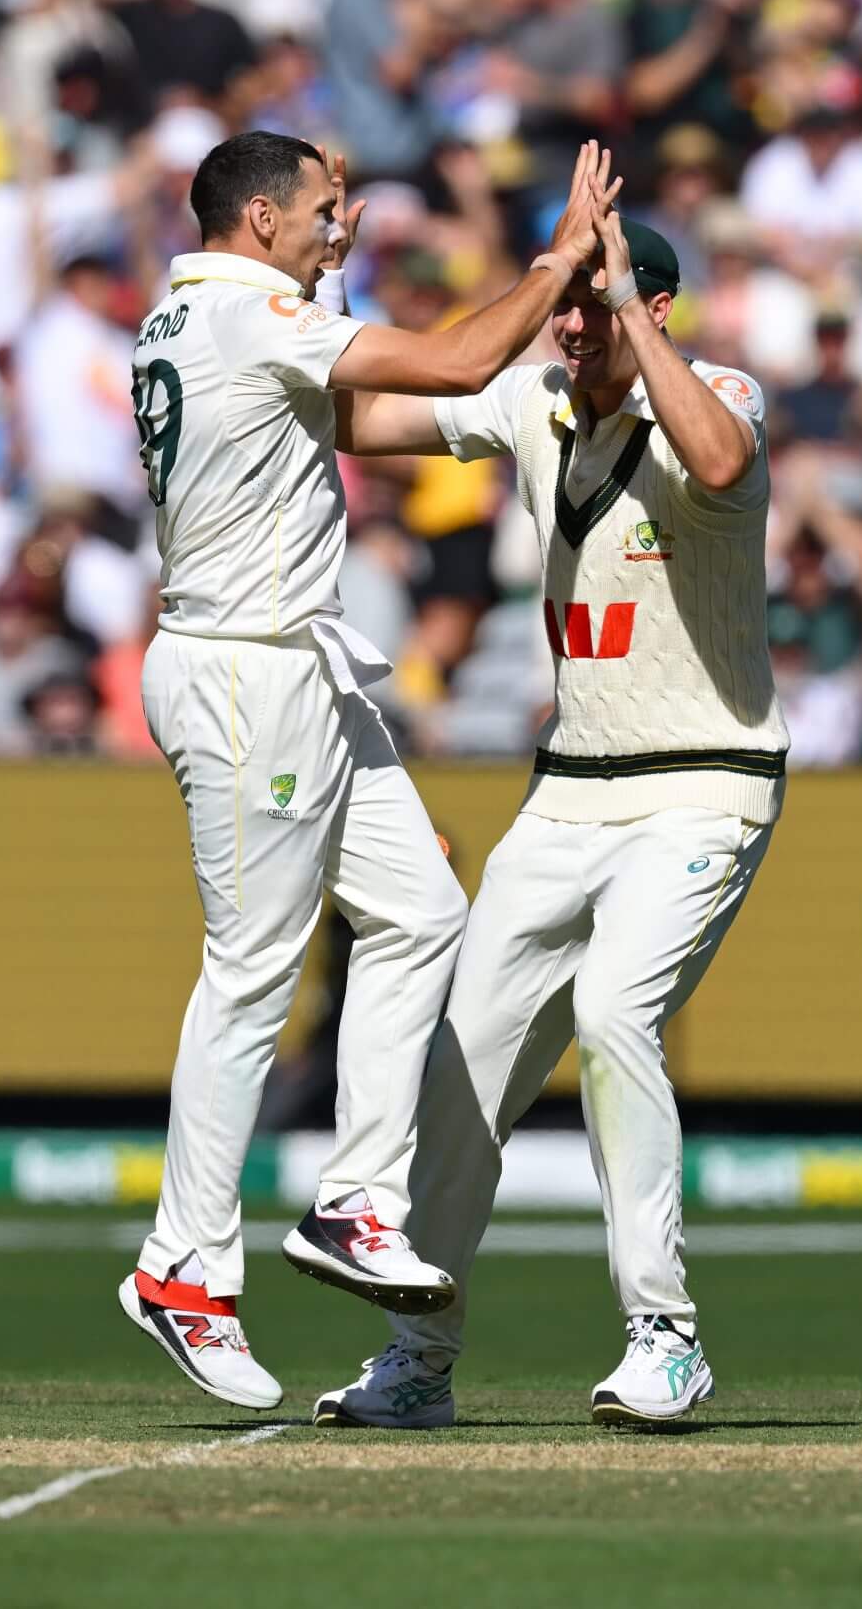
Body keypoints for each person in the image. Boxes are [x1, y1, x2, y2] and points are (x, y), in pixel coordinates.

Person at [117, 131, 618, 1410]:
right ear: (261, 217)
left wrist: (498, 417)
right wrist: (557, 259)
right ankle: (180, 1268)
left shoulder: (198, 314)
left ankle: (354, 1202)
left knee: (420, 912)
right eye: (324, 212)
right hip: (247, 677)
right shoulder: (245, 315)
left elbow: (370, 417)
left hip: (299, 670)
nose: (340, 227)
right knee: (251, 969)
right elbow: (450, 360)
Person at [307, 211, 787, 1428]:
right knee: (459, 1064)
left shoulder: (719, 393)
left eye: (593, 300)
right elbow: (361, 421)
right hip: (568, 789)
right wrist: (324, 292)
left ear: (652, 305)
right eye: (562, 300)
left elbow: (716, 464)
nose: (570, 324)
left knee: (615, 1015)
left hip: (705, 779)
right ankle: (419, 1361)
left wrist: (623, 303)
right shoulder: (533, 400)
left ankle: (665, 1336)